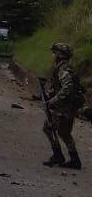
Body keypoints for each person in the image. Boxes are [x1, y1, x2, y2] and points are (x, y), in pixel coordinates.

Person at [42, 42, 83, 170]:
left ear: (59, 55)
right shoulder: (65, 67)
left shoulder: (63, 69)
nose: (52, 55)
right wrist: (51, 94)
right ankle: (74, 160)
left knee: (49, 128)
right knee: (64, 132)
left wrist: (53, 100)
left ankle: (58, 155)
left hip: (64, 108)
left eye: (54, 53)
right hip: (68, 107)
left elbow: (67, 88)